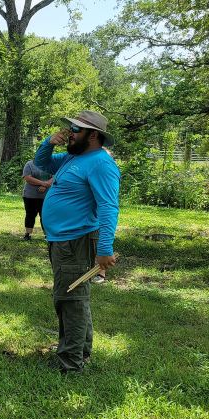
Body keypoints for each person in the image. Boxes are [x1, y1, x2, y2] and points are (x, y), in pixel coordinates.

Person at [34, 110, 119, 374]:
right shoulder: (74, 157)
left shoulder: (101, 164)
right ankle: (80, 353)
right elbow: (42, 164)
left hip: (76, 241)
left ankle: (71, 364)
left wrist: (104, 249)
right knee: (75, 297)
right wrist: (48, 143)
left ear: (93, 135)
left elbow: (108, 207)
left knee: (69, 298)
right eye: (70, 128)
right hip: (61, 240)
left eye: (76, 130)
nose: (70, 133)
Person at [21, 159, 52, 241]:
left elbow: (55, 176)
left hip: (47, 196)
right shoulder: (29, 164)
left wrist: (45, 185)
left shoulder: (51, 163)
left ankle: (47, 235)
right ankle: (27, 234)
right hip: (30, 195)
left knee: (45, 215)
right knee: (30, 214)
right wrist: (43, 183)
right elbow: (27, 177)